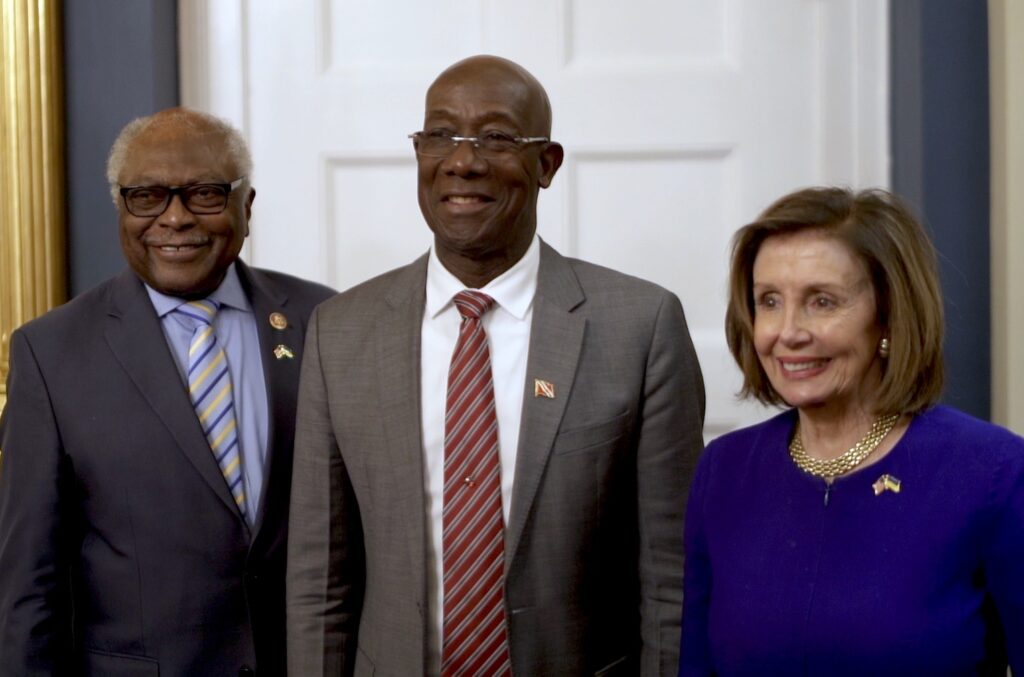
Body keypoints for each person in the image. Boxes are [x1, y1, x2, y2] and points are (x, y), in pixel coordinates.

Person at [285, 55, 706, 676]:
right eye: (439, 135)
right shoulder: (341, 332)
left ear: (547, 164)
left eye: (498, 137)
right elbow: (322, 582)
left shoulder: (640, 328)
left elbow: (669, 578)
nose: (463, 161)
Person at [0, 107, 335, 675]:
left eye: (204, 194)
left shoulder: (324, 321)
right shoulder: (50, 353)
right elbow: (29, 585)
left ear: (246, 207)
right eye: (147, 196)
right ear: (120, 210)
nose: (175, 218)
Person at [679, 187, 1024, 675]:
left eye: (822, 301)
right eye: (769, 301)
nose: (789, 332)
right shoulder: (725, 472)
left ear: (887, 315)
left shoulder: (993, 473)